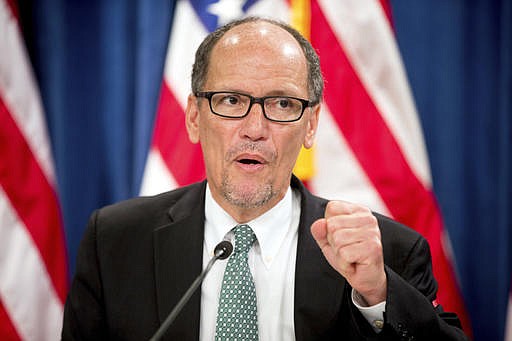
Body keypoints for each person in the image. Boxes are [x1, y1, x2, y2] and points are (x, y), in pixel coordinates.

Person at [62, 17, 468, 341]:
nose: (254, 128)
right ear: (193, 117)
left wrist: (378, 296)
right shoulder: (115, 241)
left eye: (282, 103)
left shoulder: (386, 253)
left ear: (310, 126)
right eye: (231, 100)